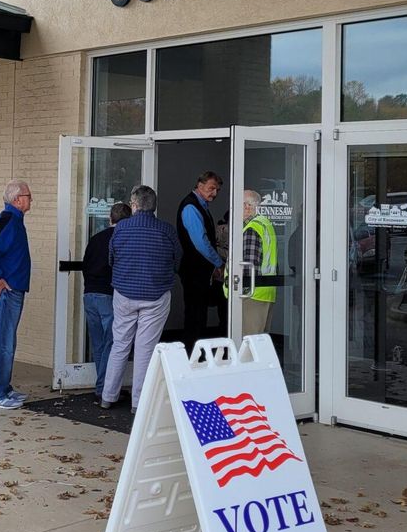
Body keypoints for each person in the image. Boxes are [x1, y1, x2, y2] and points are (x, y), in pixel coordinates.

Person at [100, 185, 183, 412]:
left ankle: (108, 396)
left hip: (124, 293)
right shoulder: (166, 230)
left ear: (134, 205)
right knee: (145, 349)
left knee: (120, 345)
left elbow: (111, 258)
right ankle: (139, 404)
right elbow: (178, 260)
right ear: (153, 206)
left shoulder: (122, 229)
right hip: (156, 295)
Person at [0, 179, 33, 410]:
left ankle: (4, 388)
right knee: (2, 342)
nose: (31, 199)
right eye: (28, 196)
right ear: (17, 199)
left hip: (14, 289)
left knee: (8, 341)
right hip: (5, 292)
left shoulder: (15, 220)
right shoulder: (8, 219)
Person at [82, 202, 132, 400]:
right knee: (112, 343)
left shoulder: (95, 239)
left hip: (89, 294)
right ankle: (105, 388)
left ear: (110, 219)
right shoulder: (123, 239)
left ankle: (102, 386)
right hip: (108, 295)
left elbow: (86, 264)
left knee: (98, 344)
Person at [177, 171, 225, 349]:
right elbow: (201, 242)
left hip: (198, 271)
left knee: (198, 313)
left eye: (217, 190)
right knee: (195, 315)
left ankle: (195, 353)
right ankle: (192, 354)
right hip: (194, 271)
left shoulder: (199, 205)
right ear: (200, 185)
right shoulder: (191, 207)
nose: (214, 193)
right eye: (212, 188)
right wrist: (218, 263)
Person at [230, 190, 278, 337]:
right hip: (266, 292)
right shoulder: (265, 224)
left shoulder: (251, 229)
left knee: (249, 342)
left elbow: (248, 265)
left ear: (247, 207)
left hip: (252, 294)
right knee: (260, 341)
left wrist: (240, 289)